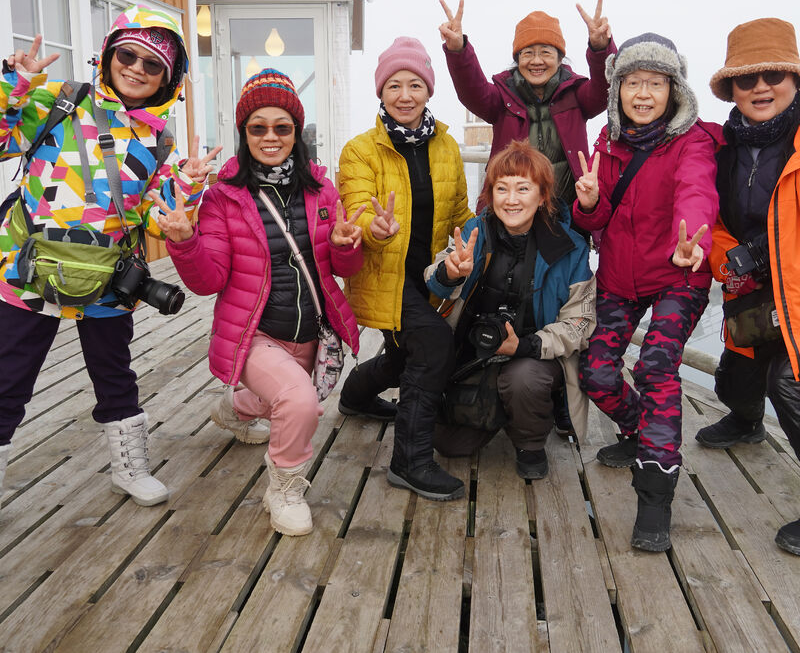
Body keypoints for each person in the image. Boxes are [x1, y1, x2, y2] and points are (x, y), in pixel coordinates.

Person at [0, 5, 216, 507]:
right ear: (109, 54)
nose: (137, 68)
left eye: (153, 64)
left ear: (170, 77)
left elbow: (158, 214)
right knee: (9, 376)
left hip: (107, 280)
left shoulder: (158, 140)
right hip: (28, 272)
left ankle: (129, 467)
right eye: (128, 54)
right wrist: (15, 84)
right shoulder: (58, 101)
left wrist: (189, 181)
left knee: (114, 373)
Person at [160, 68, 363, 537]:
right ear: (243, 134)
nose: (270, 137)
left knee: (285, 398)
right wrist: (186, 241)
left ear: (297, 132)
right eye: (258, 128)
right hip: (256, 335)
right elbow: (209, 281)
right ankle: (285, 488)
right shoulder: (223, 198)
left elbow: (342, 269)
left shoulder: (322, 190)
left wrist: (349, 245)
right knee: (300, 401)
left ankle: (236, 408)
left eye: (282, 127)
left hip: (312, 331)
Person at [573, 33, 720, 552]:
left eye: (655, 83)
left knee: (657, 365)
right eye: (633, 82)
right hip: (619, 275)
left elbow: (696, 189)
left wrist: (693, 238)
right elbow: (598, 218)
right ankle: (639, 429)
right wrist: (588, 203)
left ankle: (655, 489)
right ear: (617, 90)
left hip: (680, 270)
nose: (642, 93)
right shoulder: (606, 142)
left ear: (673, 89)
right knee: (595, 371)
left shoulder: (694, 140)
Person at [337, 37, 473, 501]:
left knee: (402, 356)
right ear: (381, 92)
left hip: (431, 275)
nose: (405, 95)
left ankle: (355, 396)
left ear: (429, 91)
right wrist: (375, 226)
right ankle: (410, 462)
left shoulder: (448, 146)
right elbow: (354, 212)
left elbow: (460, 212)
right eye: (394, 85)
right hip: (384, 277)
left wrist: (469, 249)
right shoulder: (361, 151)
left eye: (415, 84)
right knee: (433, 345)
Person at [426, 140, 596, 478]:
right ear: (490, 193)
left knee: (523, 379)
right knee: (449, 446)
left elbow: (581, 322)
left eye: (523, 188)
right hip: (475, 353)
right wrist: (449, 271)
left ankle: (530, 444)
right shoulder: (477, 231)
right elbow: (435, 277)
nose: (511, 199)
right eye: (501, 188)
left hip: (534, 356)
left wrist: (526, 346)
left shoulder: (569, 247)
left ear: (543, 195)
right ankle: (494, 411)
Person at [695, 18, 800, 556]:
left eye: (774, 74)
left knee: (789, 380)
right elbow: (711, 215)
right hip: (747, 284)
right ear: (731, 90)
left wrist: (765, 251)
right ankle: (744, 421)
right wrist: (725, 258)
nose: (761, 87)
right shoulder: (723, 147)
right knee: (739, 367)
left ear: (794, 79)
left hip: (798, 289)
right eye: (746, 78)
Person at [438, 0, 615, 211]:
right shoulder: (502, 97)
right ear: (518, 59)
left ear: (560, 59)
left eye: (546, 53)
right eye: (528, 53)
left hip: (566, 214)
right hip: (510, 213)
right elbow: (472, 92)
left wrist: (600, 48)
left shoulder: (576, 94)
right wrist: (458, 51)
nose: (536, 61)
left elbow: (605, 89)